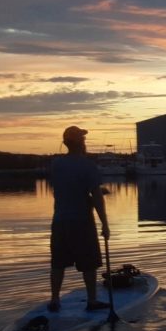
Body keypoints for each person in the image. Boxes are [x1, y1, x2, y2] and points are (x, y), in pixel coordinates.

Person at [48, 126, 110, 312]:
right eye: (83, 139)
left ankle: (54, 300)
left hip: (60, 221)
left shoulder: (56, 164)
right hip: (82, 222)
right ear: (80, 143)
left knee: (58, 263)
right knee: (89, 264)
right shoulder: (87, 165)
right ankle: (92, 301)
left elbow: (64, 190)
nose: (85, 142)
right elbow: (96, 198)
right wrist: (105, 224)